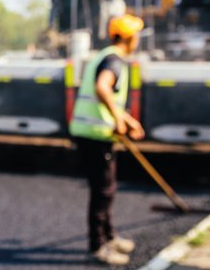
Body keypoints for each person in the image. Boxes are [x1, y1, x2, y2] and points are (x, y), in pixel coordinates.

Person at [69, 14, 145, 266]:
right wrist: (118, 119)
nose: (138, 40)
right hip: (94, 136)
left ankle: (109, 236)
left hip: (92, 133)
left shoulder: (106, 56)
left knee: (107, 189)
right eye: (136, 35)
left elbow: (105, 95)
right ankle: (97, 245)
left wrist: (127, 120)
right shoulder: (114, 61)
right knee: (103, 191)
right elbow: (103, 89)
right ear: (127, 38)